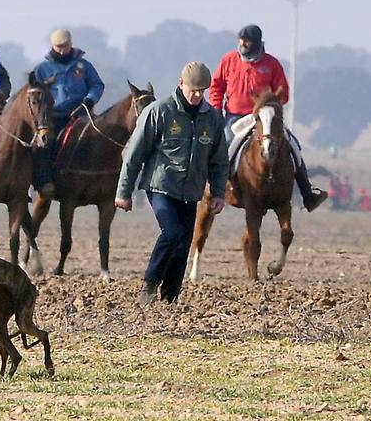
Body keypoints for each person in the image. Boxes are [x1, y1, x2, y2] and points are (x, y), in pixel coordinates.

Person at [114, 61, 229, 305]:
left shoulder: (212, 119)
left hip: (191, 191)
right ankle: (150, 282)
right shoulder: (159, 111)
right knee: (173, 232)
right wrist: (124, 192)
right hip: (161, 186)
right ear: (181, 84)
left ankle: (169, 298)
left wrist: (218, 193)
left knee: (183, 244)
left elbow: (219, 161)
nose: (197, 95)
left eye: (202, 90)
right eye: (193, 89)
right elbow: (134, 154)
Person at [209, 24, 328, 210]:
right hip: (235, 117)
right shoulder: (228, 61)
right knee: (224, 144)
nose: (242, 45)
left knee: (293, 145)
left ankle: (308, 193)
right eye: (240, 42)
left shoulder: (272, 64)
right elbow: (216, 87)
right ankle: (219, 187)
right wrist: (216, 109)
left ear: (256, 43)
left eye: (246, 42)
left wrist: (271, 104)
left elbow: (284, 93)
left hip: (264, 119)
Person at [30, 28, 104, 196]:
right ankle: (44, 181)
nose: (62, 50)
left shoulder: (84, 66)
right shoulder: (42, 69)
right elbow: (33, 91)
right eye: (59, 47)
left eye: (66, 46)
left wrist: (89, 100)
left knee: (96, 140)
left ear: (71, 45)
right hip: (52, 116)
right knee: (45, 144)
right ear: (52, 46)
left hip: (80, 115)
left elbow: (97, 85)